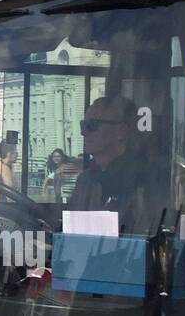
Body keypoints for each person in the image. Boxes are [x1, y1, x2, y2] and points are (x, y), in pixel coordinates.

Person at [68, 95, 163, 235]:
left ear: (121, 131)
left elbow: (144, 239)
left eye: (92, 125)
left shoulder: (143, 181)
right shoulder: (85, 180)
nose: (83, 132)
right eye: (83, 125)